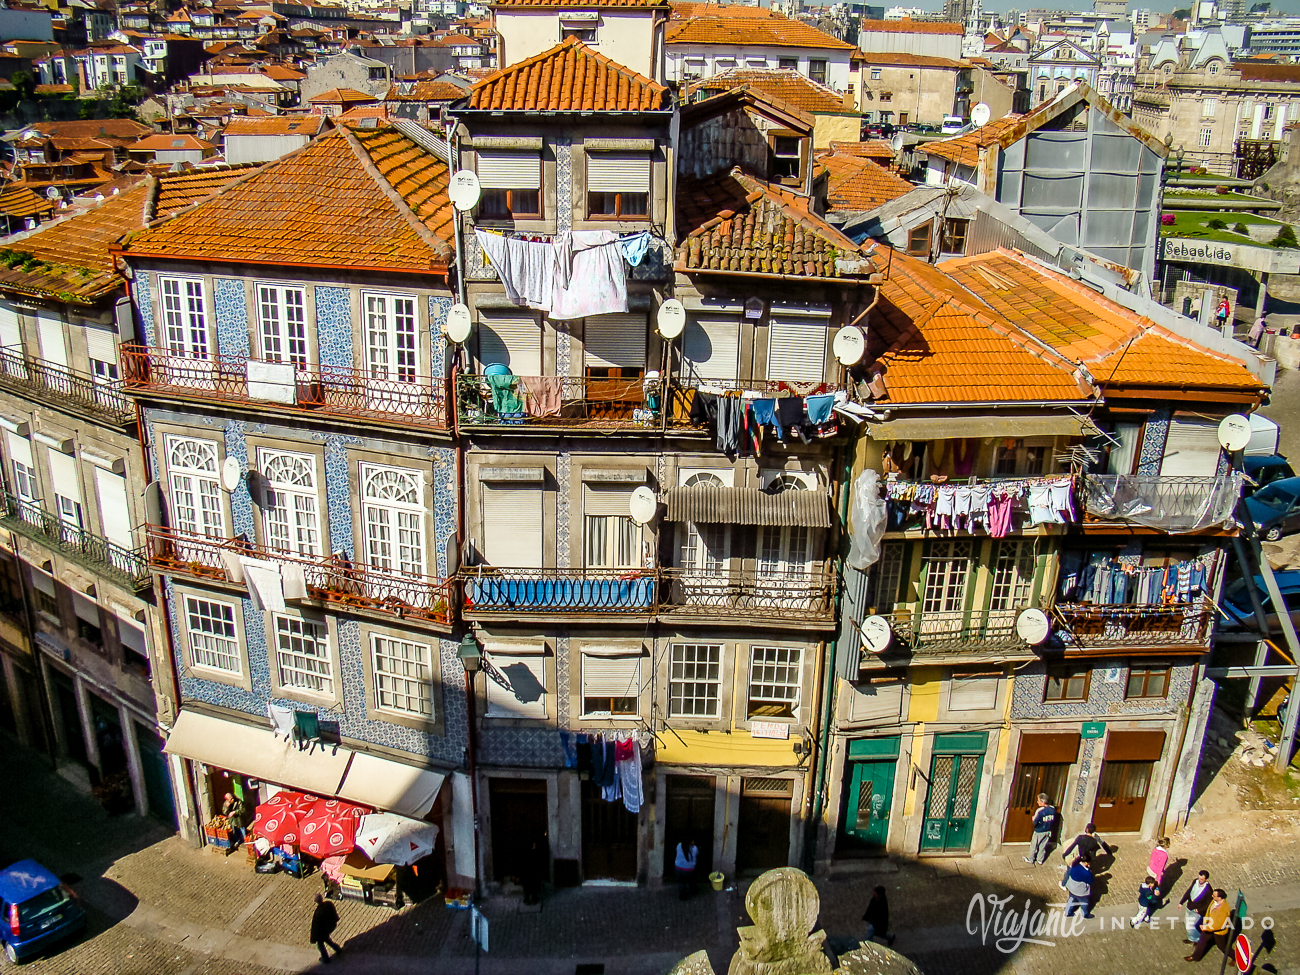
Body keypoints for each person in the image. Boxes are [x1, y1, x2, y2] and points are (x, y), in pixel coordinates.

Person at [1185, 888, 1231, 962]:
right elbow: (1208, 912)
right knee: (1202, 942)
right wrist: (1205, 923)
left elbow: (1219, 925)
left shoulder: (1223, 910)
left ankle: (1235, 957)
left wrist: (1206, 927)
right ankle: (1195, 957)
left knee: (1223, 947)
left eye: (1214, 895)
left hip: (1218, 931)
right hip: (1209, 927)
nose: (1212, 896)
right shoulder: (1214, 901)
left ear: (1219, 898)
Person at [1179, 870, 1213, 944]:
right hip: (1189, 907)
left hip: (1197, 911)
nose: (1200, 880)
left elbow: (1209, 903)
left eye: (1202, 879)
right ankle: (1192, 937)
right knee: (1186, 922)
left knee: (1190, 927)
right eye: (1199, 878)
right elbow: (1189, 892)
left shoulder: (1208, 890)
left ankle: (1197, 939)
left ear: (1206, 880)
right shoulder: (1195, 881)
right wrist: (1181, 902)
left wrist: (1199, 910)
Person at [1023, 793, 1057, 865]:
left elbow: (1035, 821)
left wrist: (1033, 819)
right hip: (1048, 830)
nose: (1037, 802)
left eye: (1038, 800)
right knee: (1043, 845)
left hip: (1039, 831)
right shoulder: (1053, 809)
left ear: (1043, 801)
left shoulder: (1039, 811)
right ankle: (1040, 859)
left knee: (1034, 845)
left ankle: (1030, 858)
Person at [310, 893, 343, 964]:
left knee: (320, 944)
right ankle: (337, 949)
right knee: (327, 940)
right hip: (328, 928)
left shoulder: (318, 912)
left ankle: (325, 958)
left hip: (321, 931)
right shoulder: (329, 904)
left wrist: (313, 938)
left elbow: (316, 926)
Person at [675, 836, 699, 901]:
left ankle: (682, 896)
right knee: (692, 879)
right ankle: (693, 890)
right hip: (690, 870)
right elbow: (697, 854)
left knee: (681, 882)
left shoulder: (679, 845)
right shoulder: (694, 848)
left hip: (679, 868)